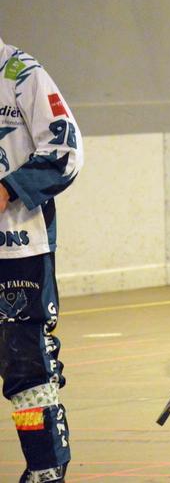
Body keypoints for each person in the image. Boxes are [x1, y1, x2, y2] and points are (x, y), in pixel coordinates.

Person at [0, 36, 83, 483]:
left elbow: (66, 151)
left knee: (26, 364)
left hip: (17, 250)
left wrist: (9, 188)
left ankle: (45, 466)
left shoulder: (20, 72)